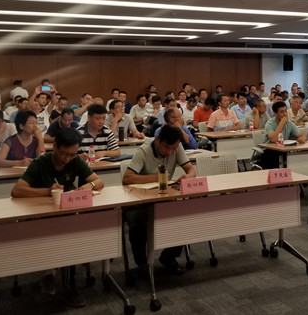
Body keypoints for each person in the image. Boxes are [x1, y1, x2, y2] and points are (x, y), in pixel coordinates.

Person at [11, 127, 103, 308]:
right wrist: (48, 191)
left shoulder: (75, 160)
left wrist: (89, 186)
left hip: (66, 213)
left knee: (71, 233)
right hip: (41, 215)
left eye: (72, 155)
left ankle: (63, 280)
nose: (67, 158)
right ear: (54, 147)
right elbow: (17, 190)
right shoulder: (40, 163)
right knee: (64, 235)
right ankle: (61, 281)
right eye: (64, 153)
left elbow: (99, 181)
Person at [122, 124, 196, 275]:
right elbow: (127, 178)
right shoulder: (144, 150)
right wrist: (156, 177)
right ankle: (142, 263)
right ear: (158, 140)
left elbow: (191, 169)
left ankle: (168, 257)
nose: (170, 152)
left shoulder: (176, 147)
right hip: (139, 199)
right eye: (167, 147)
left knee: (184, 214)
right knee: (137, 221)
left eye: (173, 149)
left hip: (163, 196)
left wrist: (188, 177)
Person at [259, 101, 307, 169]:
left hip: (283, 149)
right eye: (281, 112)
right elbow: (274, 139)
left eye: (285, 111)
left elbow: (302, 136)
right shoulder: (269, 124)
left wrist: (302, 139)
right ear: (275, 113)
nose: (285, 114)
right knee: (274, 157)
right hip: (270, 151)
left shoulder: (289, 123)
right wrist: (282, 123)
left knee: (296, 158)